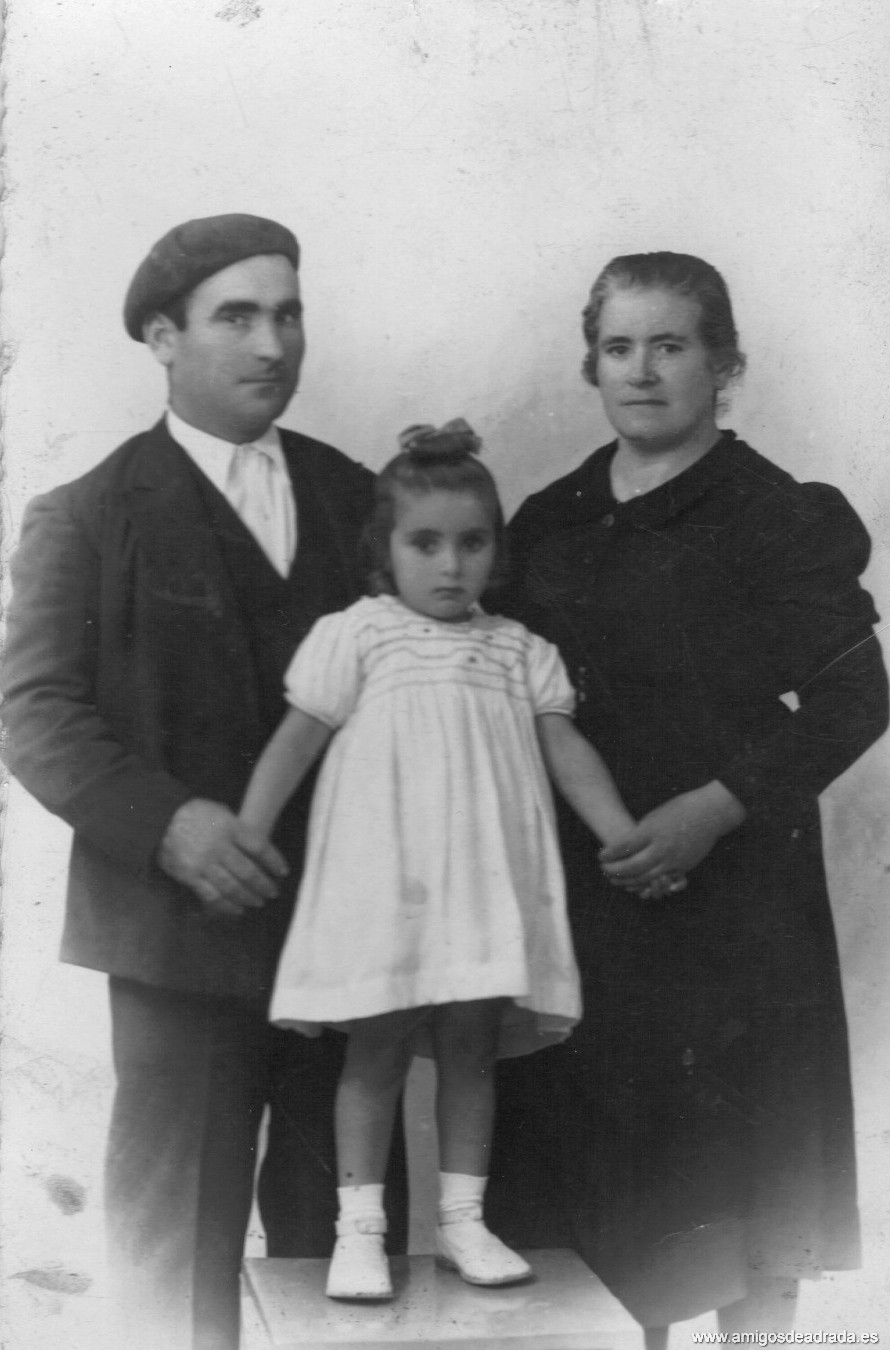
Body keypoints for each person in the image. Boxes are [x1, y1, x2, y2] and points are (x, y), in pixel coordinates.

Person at [1, 213, 408, 1350]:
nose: (272, 344)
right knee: (171, 1259)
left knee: (353, 1249)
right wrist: (170, 824)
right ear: (162, 338)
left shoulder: (359, 500)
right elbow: (34, 712)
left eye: (288, 315)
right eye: (237, 316)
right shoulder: (87, 514)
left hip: (347, 935)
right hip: (174, 942)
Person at [485, 253, 889, 1342]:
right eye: (618, 347)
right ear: (591, 364)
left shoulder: (773, 513)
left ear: (723, 366)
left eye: (670, 345)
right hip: (589, 895)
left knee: (742, 1201)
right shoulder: (552, 518)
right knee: (598, 1207)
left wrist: (714, 808)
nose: (642, 370)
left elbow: (856, 696)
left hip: (738, 904)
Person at [237, 419, 653, 1302]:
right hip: (392, 890)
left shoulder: (519, 650)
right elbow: (297, 737)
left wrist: (622, 832)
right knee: (376, 1050)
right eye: (424, 544)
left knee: (472, 1049)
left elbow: (566, 749)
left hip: (484, 890)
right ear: (383, 551)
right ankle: (360, 1232)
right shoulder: (359, 634)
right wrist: (251, 828)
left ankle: (463, 1220)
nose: (451, 565)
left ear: (496, 551)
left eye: (472, 543)